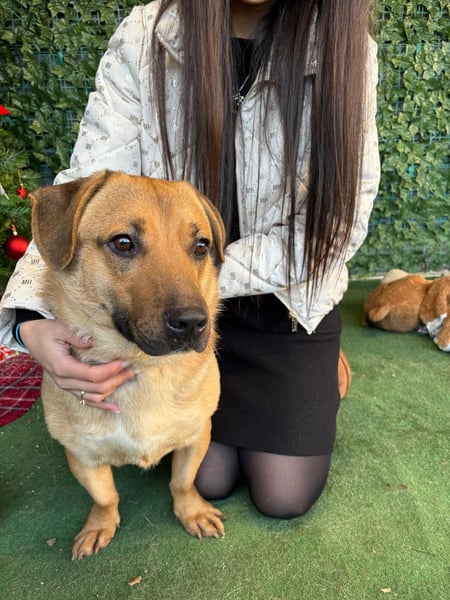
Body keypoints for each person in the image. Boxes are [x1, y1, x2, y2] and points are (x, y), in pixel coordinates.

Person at [0, 0, 380, 519]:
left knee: (283, 495)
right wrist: (28, 318)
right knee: (211, 478)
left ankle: (317, 363)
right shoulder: (147, 34)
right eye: (126, 245)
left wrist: (195, 276)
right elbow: (79, 197)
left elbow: (335, 229)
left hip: (282, 305)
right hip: (173, 308)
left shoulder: (346, 51)